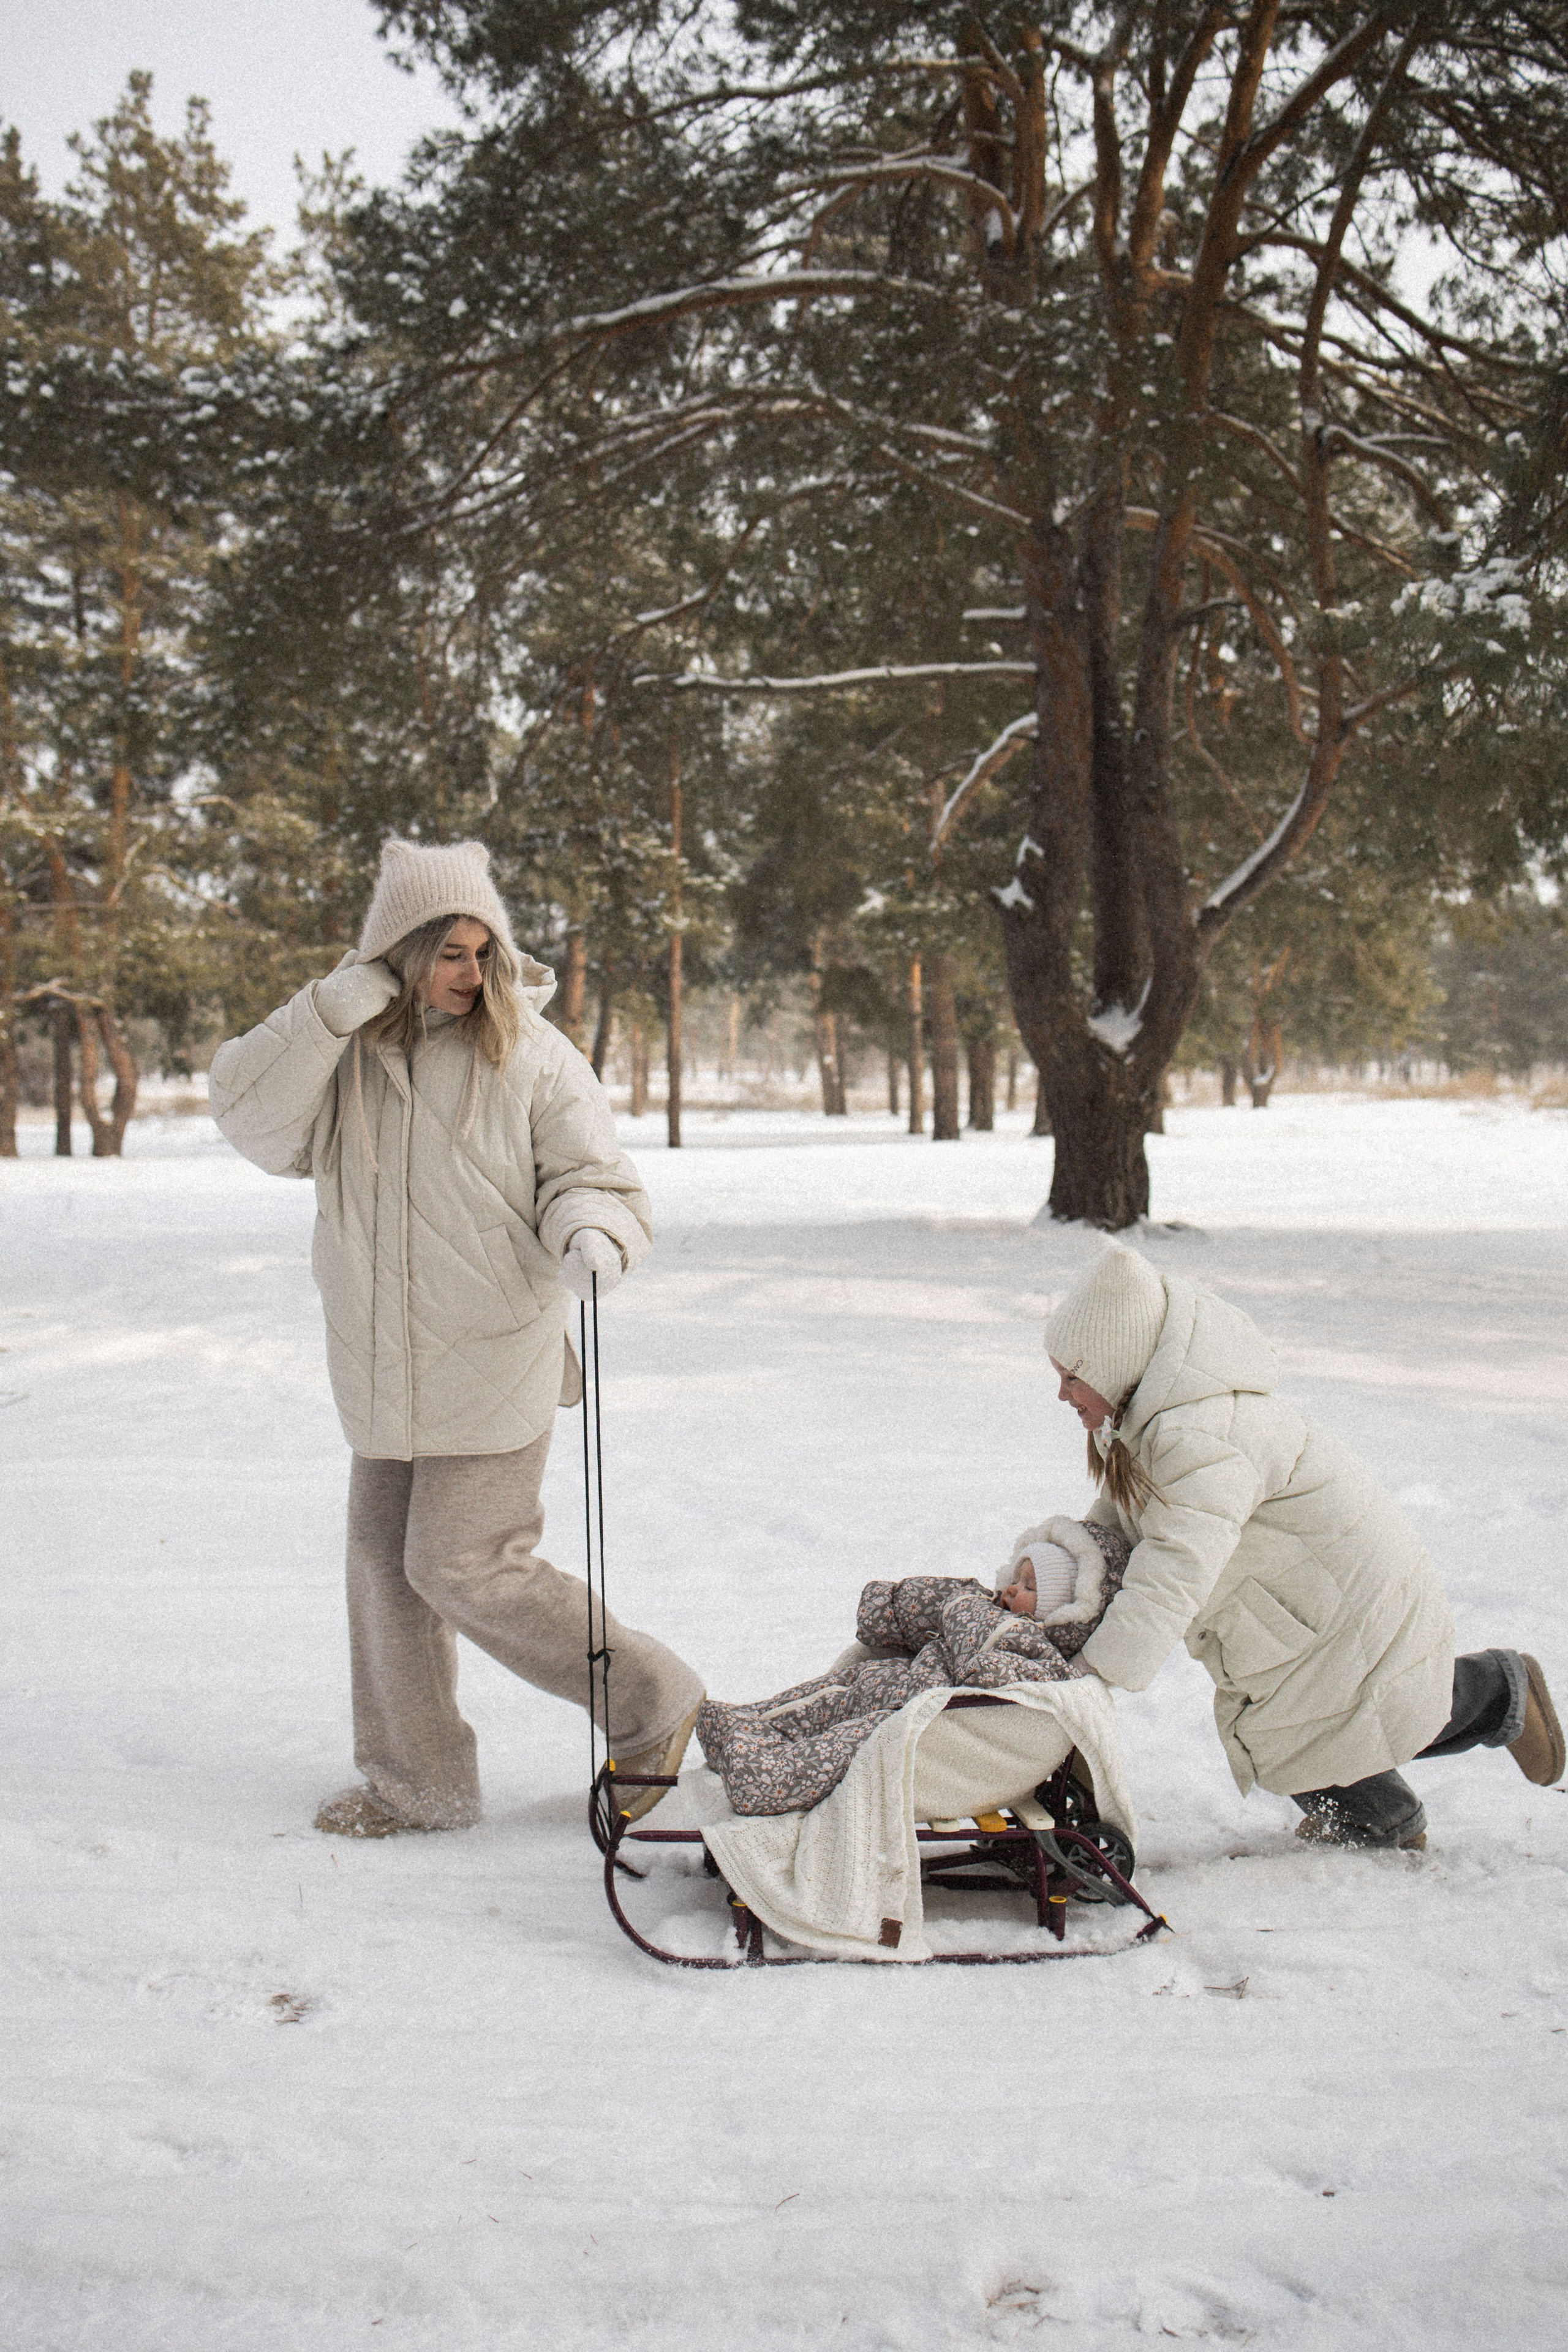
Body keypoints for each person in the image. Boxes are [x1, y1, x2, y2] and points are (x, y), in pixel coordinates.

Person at [208, 836, 703, 1836]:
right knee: (383, 1566)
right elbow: (249, 1120)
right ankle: (418, 1781)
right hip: (383, 1361)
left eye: (485, 951)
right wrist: (327, 1009)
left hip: (496, 1353)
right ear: (398, 950)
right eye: (449, 953)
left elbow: (592, 1179)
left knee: (461, 1562)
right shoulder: (343, 1054)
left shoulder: (532, 1053)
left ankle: (656, 1702)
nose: (473, 975)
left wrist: (590, 1230)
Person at [1041, 1246, 1564, 1849]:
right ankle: (1388, 1804)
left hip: (1339, 1606)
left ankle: (1493, 1697)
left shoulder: (1200, 1438)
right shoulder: (1150, 1427)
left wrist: (1099, 1666)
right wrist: (1057, 1576)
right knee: (1312, 1724)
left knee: (1344, 1716)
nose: (1062, 1394)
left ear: (1116, 1366)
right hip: (1298, 1613)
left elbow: (1175, 1568)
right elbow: (1119, 1529)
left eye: (1072, 1376)